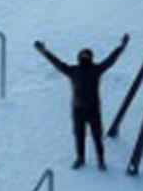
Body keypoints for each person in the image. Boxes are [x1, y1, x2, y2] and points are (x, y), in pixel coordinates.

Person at [34, 34, 129, 170]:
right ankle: (80, 158)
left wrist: (122, 47)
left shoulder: (95, 70)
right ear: (78, 58)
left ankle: (101, 160)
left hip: (93, 108)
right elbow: (57, 63)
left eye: (87, 55)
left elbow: (111, 59)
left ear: (91, 58)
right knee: (79, 135)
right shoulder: (74, 71)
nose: (84, 58)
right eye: (82, 55)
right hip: (78, 109)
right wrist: (44, 51)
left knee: (97, 136)